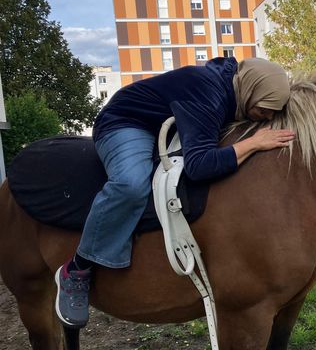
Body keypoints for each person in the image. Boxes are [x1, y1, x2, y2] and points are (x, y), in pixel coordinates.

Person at [55, 57, 295, 329]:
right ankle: (77, 269)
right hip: (127, 123)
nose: (268, 118)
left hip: (164, 125)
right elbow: (199, 166)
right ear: (251, 89)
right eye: (264, 110)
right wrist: (252, 144)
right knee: (131, 184)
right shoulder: (207, 95)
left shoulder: (234, 89)